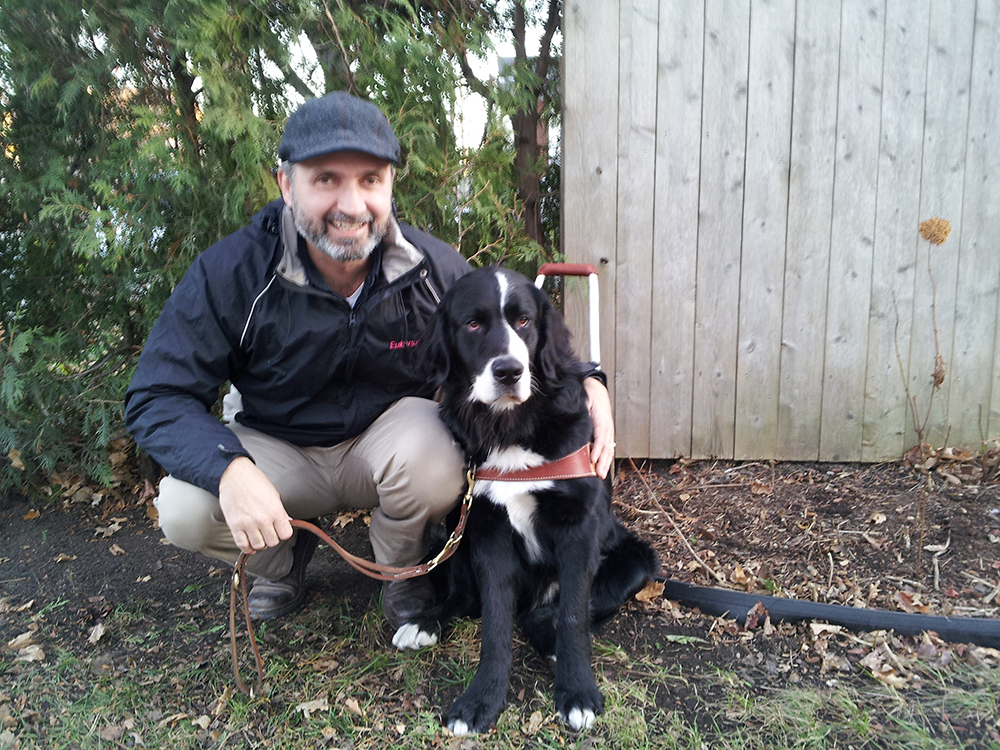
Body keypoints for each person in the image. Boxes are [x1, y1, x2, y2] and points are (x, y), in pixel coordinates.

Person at [124, 90, 615, 631]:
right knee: (185, 507)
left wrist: (591, 383)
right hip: (276, 447)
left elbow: (514, 322)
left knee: (436, 456)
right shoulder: (231, 273)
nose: (352, 206)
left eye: (370, 180)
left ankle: (401, 575)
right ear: (286, 185)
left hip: (384, 445)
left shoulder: (429, 269)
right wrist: (229, 469)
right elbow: (157, 395)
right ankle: (281, 564)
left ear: (390, 185)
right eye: (326, 179)